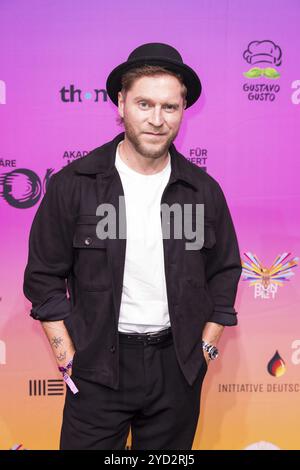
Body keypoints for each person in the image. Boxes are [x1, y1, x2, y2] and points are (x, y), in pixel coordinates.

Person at [23, 42, 242, 450]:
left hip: (177, 368)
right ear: (121, 103)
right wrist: (67, 353)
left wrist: (206, 347)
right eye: (144, 104)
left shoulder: (202, 191)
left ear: (182, 111)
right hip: (97, 367)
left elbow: (225, 270)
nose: (156, 120)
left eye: (169, 107)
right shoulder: (75, 185)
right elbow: (43, 276)